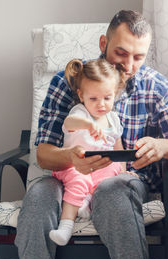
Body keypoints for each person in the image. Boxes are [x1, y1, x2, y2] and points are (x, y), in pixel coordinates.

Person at [15, 10, 168, 259]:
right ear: (103, 43)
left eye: (139, 57)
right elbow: (44, 154)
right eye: (121, 53)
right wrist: (70, 158)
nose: (129, 65)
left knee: (112, 192)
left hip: (123, 181)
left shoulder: (157, 87)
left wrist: (162, 145)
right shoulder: (69, 81)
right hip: (67, 176)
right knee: (38, 198)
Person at [49, 58, 128, 246]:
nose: (101, 104)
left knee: (113, 177)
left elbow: (118, 148)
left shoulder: (113, 120)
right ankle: (66, 227)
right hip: (75, 167)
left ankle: (88, 200)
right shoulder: (80, 113)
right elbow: (69, 123)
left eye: (107, 98)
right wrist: (88, 124)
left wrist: (123, 169)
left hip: (101, 170)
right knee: (79, 180)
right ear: (81, 95)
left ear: (115, 94)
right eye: (93, 99)